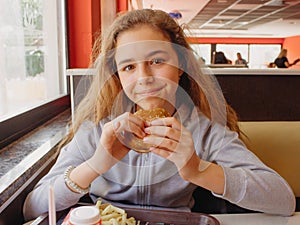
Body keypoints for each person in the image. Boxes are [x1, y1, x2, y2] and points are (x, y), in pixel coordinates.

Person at [23, 9, 295, 221]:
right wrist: (95, 164)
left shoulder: (206, 132)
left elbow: (283, 200)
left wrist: (198, 170)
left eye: (156, 61)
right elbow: (31, 208)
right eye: (129, 67)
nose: (144, 78)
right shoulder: (96, 131)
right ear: (117, 76)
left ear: (181, 66)